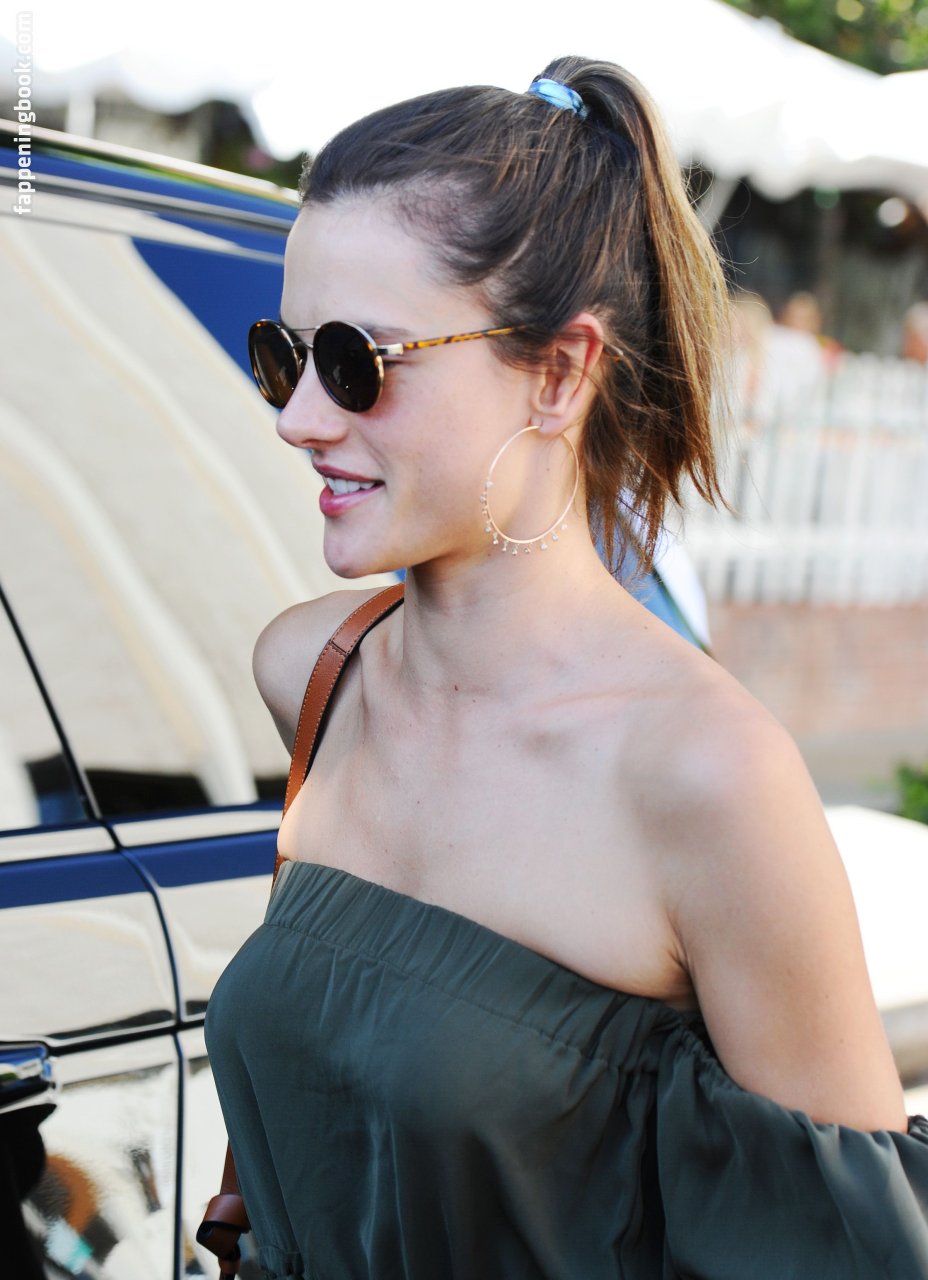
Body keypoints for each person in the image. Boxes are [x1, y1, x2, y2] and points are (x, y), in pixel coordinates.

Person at [204, 57, 928, 1280]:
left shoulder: (707, 776)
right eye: (284, 353)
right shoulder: (315, 675)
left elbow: (851, 1252)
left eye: (358, 360)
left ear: (558, 372)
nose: (299, 416)